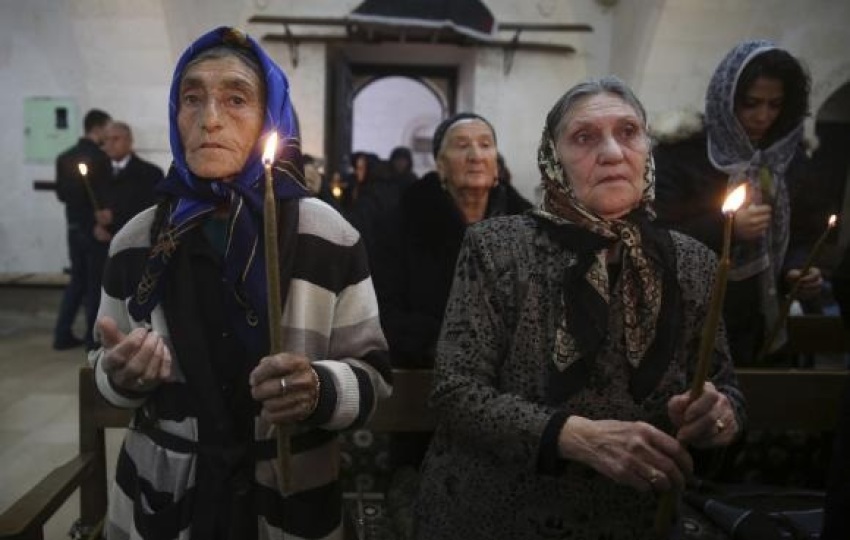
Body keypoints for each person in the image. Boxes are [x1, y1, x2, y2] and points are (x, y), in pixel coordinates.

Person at [89, 27, 391, 539]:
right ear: (175, 114)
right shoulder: (136, 241)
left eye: (236, 98)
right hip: (171, 495)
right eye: (192, 98)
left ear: (270, 117)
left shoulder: (328, 237)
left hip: (287, 496)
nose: (210, 118)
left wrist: (319, 389)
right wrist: (120, 376)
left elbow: (374, 378)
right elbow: (102, 367)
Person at [413, 77, 746, 539]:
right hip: (502, 511)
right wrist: (576, 438)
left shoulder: (694, 263)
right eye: (584, 137)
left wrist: (719, 416)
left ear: (647, 149)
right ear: (554, 158)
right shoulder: (497, 247)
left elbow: (725, 385)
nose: (612, 153)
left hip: (637, 518)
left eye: (628, 132)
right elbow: (456, 391)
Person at [654, 40, 821, 365]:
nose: (763, 116)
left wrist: (798, 268)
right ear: (727, 97)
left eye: (775, 105)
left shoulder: (787, 158)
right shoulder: (683, 152)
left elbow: (802, 229)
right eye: (751, 103)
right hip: (692, 318)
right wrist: (725, 228)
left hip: (764, 320)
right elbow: (656, 235)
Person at [53, 108, 112, 350]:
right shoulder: (101, 158)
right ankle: (92, 338)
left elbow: (61, 194)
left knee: (77, 280)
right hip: (94, 228)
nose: (108, 135)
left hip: (73, 225)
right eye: (107, 129)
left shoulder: (64, 156)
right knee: (94, 283)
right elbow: (105, 194)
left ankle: (62, 334)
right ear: (97, 128)